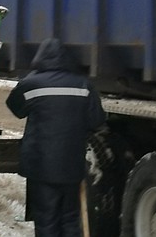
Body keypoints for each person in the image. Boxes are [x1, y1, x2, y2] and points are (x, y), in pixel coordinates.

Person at [6, 38, 106, 237]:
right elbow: (96, 120)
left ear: (40, 57)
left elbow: (16, 109)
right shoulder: (83, 85)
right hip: (71, 165)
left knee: (46, 220)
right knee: (70, 218)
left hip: (40, 166)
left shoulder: (30, 85)